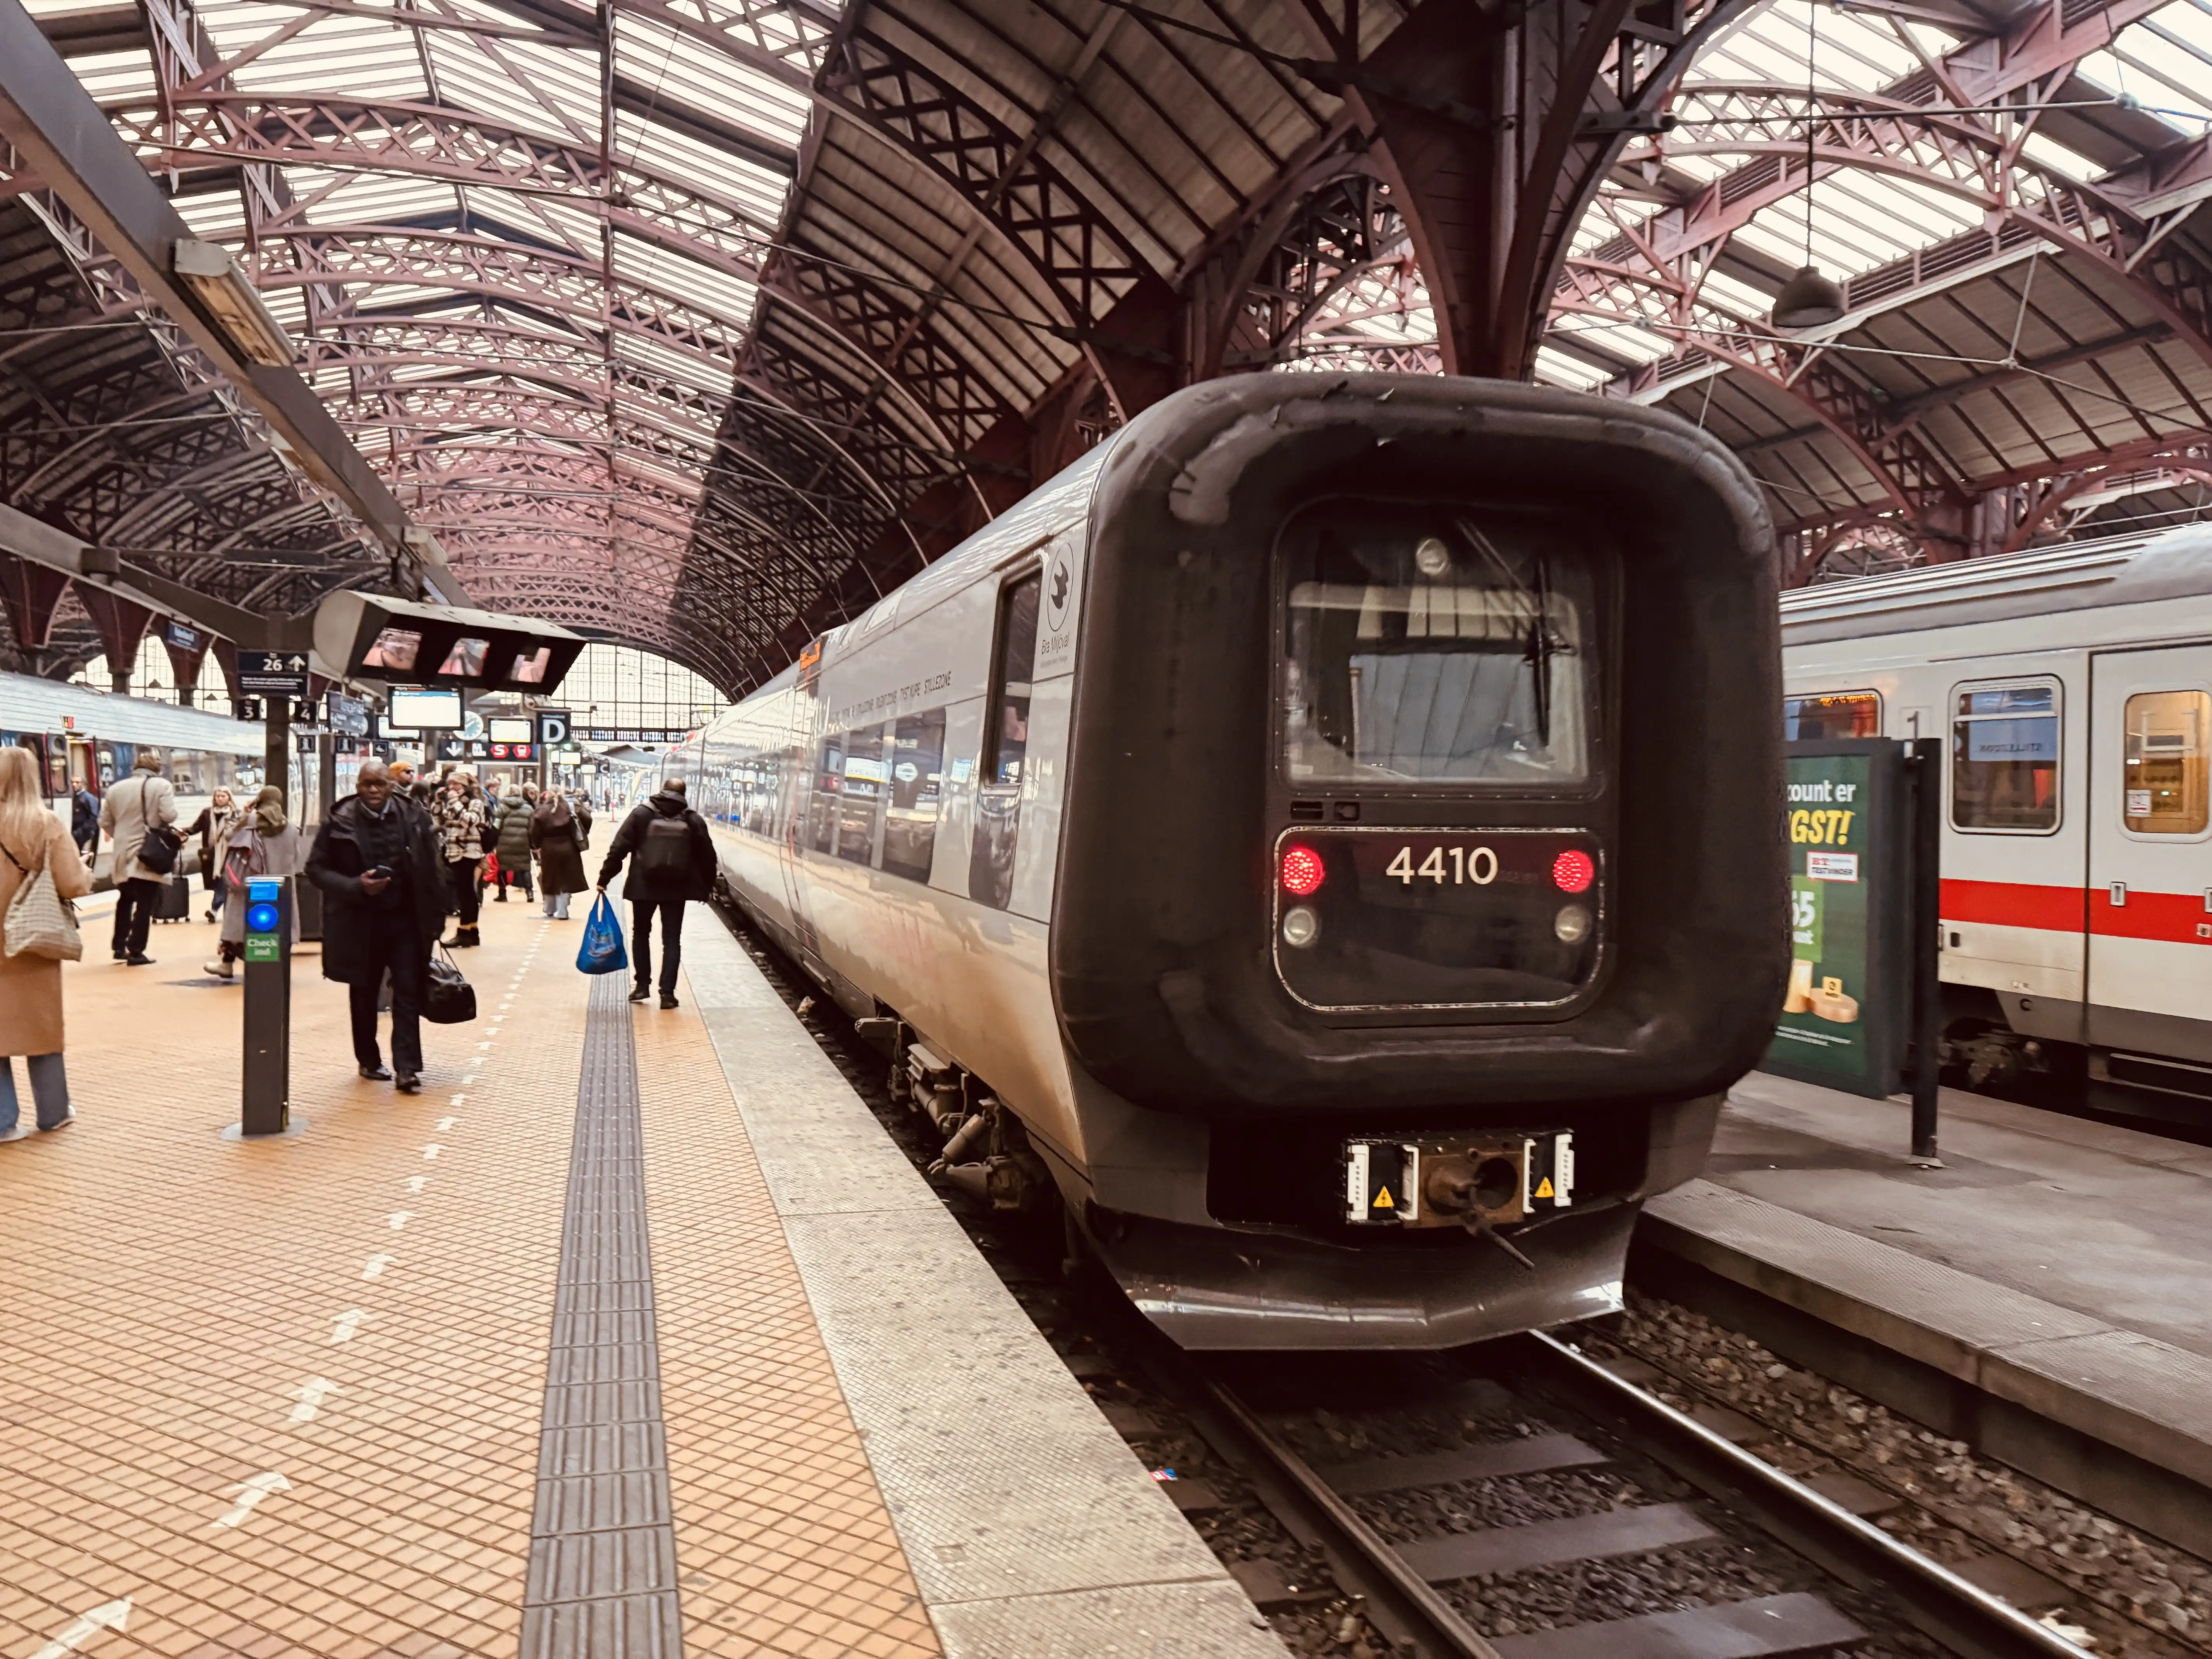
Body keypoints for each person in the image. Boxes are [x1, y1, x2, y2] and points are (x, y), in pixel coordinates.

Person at [305, 759, 445, 1093]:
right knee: (364, 994)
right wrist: (356, 886)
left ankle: (407, 1067)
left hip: (405, 921)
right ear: (357, 786)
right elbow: (316, 869)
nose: (373, 790)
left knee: (408, 991)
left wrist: (438, 914)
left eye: (379, 784)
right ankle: (368, 1060)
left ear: (390, 785)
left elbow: (432, 867)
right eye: (366, 784)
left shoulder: (413, 816)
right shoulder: (339, 820)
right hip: (360, 923)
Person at [0, 747, 93, 1140]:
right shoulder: (45, 824)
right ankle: (53, 1113)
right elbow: (72, 882)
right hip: (31, 940)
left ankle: (3, 1122)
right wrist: (85, 873)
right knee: (42, 1029)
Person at [596, 776, 715, 1009]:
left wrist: (605, 878)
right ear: (684, 794)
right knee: (672, 940)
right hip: (676, 889)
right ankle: (668, 994)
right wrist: (706, 887)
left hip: (643, 886)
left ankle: (642, 986)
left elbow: (619, 847)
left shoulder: (642, 814)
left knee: (641, 934)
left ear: (662, 791)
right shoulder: (692, 819)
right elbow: (708, 857)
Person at [203, 786, 304, 981]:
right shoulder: (291, 829)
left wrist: (245, 812)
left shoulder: (251, 821)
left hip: (252, 885)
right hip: (280, 888)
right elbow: (296, 859)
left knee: (237, 921)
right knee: (276, 925)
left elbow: (228, 836)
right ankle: (273, 964)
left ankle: (228, 964)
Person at [99, 750, 176, 966]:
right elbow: (169, 816)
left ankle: (118, 946)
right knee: (145, 903)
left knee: (125, 901)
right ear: (156, 769)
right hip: (146, 853)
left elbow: (104, 822)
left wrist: (122, 836)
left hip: (123, 853)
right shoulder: (162, 786)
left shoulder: (115, 789)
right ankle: (136, 950)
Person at [431, 767, 488, 947]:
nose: (452, 787)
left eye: (455, 784)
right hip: (454, 852)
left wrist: (455, 803)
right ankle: (472, 932)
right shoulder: (452, 801)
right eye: (449, 784)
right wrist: (439, 803)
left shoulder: (475, 802)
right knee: (466, 893)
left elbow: (470, 821)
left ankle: (465, 932)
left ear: (464, 785)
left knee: (466, 893)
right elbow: (439, 821)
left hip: (469, 852)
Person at [184, 786, 242, 922]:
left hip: (229, 854)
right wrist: (181, 832)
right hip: (211, 856)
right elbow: (195, 828)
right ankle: (222, 911)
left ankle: (215, 910)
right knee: (219, 884)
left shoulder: (236, 814)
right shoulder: (207, 813)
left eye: (223, 796)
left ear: (229, 798)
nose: (220, 799)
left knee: (225, 882)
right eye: (218, 796)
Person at [529, 786, 588, 919]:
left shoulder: (542, 810)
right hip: (569, 848)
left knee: (549, 878)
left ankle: (549, 909)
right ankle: (563, 911)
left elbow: (533, 831)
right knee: (566, 879)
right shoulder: (572, 807)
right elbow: (587, 818)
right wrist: (581, 833)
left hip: (548, 849)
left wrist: (536, 846)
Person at [495, 782, 537, 903]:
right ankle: (529, 893)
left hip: (504, 843)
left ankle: (502, 894)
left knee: (502, 868)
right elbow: (532, 828)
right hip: (522, 843)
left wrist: (494, 839)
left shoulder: (502, 807)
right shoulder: (528, 808)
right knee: (525, 868)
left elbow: (497, 825)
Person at [70, 782, 99, 860]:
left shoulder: (88, 798)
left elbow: (94, 816)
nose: (74, 784)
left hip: (84, 831)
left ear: (83, 784)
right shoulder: (74, 797)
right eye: (72, 782)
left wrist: (82, 830)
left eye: (77, 783)